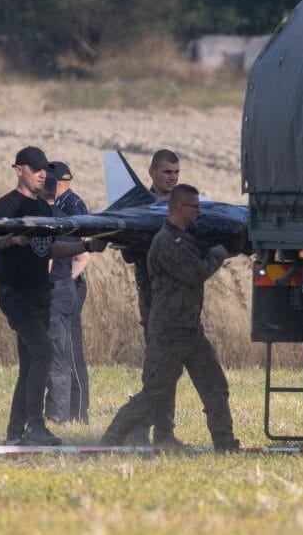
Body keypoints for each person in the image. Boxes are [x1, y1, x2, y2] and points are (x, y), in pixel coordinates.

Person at [0, 146, 105, 446]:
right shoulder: (5, 206)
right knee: (45, 351)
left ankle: (15, 432)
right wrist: (13, 239)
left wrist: (86, 247)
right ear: (19, 169)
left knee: (30, 364)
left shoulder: (46, 211)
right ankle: (34, 426)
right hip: (15, 293)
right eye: (35, 168)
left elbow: (51, 249)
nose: (41, 174)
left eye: (44, 169)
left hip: (41, 293)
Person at [101, 184, 239, 452]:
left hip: (190, 330)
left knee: (215, 386)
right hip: (169, 331)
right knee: (154, 393)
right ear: (177, 207)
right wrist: (218, 254)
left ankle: (225, 443)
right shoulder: (166, 242)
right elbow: (195, 272)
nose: (198, 212)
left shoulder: (184, 239)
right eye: (193, 206)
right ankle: (111, 440)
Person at [118, 148, 182, 445]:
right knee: (159, 364)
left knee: (170, 365)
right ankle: (143, 429)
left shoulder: (185, 206)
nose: (172, 178)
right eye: (167, 172)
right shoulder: (140, 208)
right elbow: (129, 253)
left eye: (176, 173)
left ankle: (160, 431)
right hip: (153, 295)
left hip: (180, 296)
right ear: (152, 173)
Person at [43, 161, 92, 425]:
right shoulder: (59, 206)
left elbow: (83, 254)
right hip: (64, 283)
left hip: (67, 283)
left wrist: (64, 280)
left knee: (70, 352)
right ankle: (70, 411)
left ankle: (78, 412)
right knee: (62, 350)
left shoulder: (73, 207)